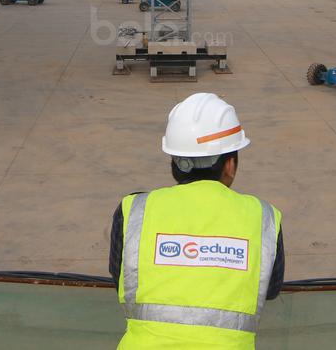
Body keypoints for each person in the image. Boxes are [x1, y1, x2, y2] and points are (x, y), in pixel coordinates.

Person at [109, 93, 284, 349]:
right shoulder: (263, 217)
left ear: (174, 162)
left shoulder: (133, 210)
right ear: (230, 165)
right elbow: (270, 290)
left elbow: (122, 279)